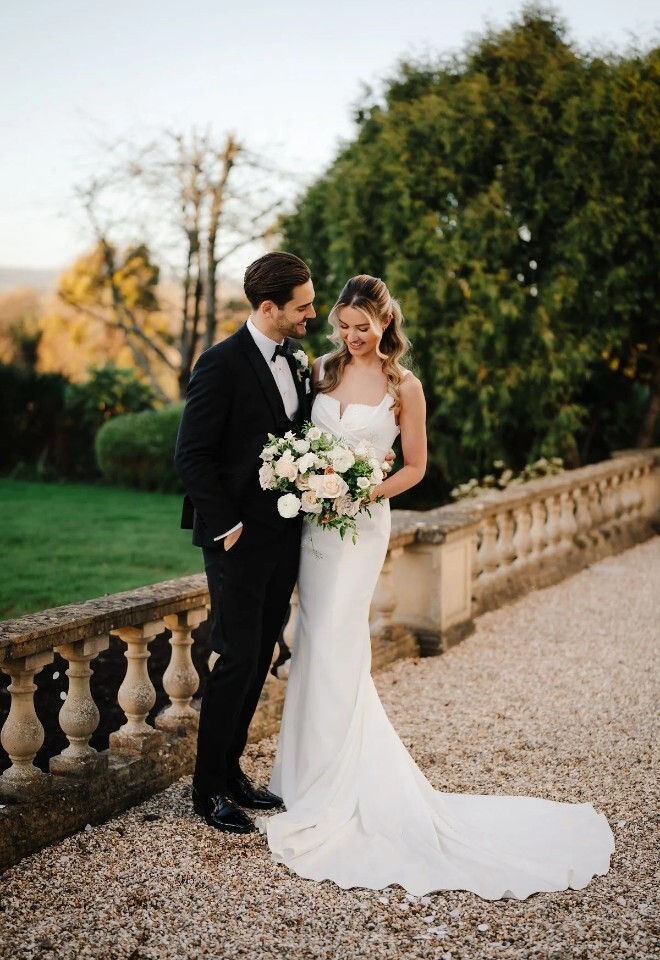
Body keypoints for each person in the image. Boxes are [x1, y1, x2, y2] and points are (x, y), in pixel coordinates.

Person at [259, 274, 615, 899]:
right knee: (314, 639)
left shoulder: (404, 386)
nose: (350, 337)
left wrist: (360, 489)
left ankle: (340, 786)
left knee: (341, 640)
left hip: (361, 525)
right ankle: (301, 778)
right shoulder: (319, 369)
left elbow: (417, 467)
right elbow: (300, 439)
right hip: (315, 527)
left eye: (361, 328)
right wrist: (311, 479)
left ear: (385, 322)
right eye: (342, 326)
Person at [174, 251, 316, 834]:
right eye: (303, 306)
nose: (311, 314)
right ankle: (206, 790)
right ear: (268, 308)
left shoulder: (297, 359)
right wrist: (228, 528)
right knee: (235, 656)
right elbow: (193, 456)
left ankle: (231, 773)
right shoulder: (220, 364)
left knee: (260, 654)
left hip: (283, 535)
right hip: (235, 539)